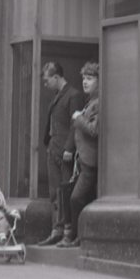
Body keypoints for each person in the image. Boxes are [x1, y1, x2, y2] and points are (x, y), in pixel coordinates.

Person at [37, 61, 81, 246]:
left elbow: (74, 124)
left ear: (56, 77)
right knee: (55, 192)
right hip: (54, 150)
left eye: (47, 81)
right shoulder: (58, 96)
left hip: (65, 152)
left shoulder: (73, 95)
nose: (45, 85)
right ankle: (57, 229)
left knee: (64, 191)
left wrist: (70, 148)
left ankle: (67, 232)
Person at [61, 62, 99, 248]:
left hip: (89, 162)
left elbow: (94, 130)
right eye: (84, 78)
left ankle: (77, 237)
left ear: (99, 81)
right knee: (75, 197)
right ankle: (76, 236)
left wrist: (78, 119)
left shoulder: (98, 103)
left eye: (90, 78)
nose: (85, 82)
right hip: (83, 161)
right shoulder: (90, 102)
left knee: (76, 198)